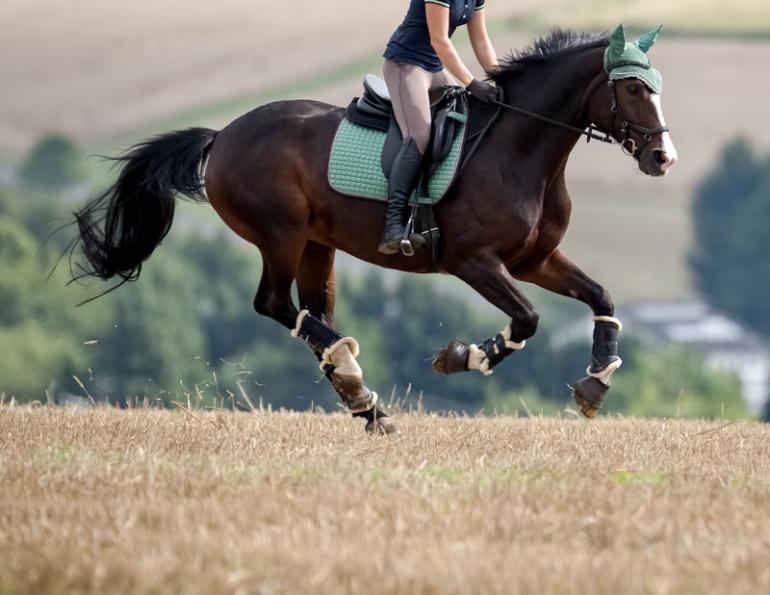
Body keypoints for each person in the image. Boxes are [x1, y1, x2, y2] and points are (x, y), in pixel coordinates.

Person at [378, 0, 500, 255]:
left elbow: (480, 40)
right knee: (420, 135)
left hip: (434, 68)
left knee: (463, 116)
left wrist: (502, 79)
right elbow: (440, 40)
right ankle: (393, 224)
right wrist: (471, 83)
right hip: (406, 64)